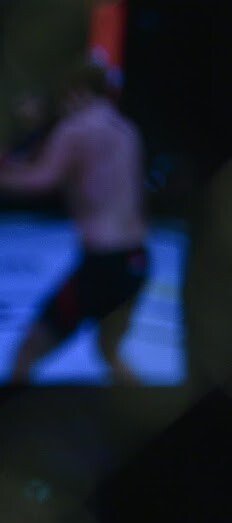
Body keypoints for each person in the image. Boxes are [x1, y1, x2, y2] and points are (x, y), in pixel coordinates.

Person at [0, 62, 148, 385]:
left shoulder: (77, 129)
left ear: (75, 93)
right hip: (136, 260)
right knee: (110, 352)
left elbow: (40, 180)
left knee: (26, 355)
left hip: (102, 264)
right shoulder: (126, 130)